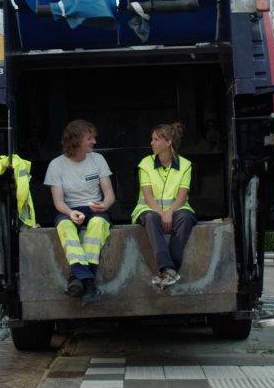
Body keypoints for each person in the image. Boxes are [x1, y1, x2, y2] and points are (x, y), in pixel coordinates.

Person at [43, 120, 115, 304]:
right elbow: (58, 202)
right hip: (69, 210)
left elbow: (109, 194)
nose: (94, 142)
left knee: (98, 224)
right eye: (90, 138)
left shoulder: (98, 160)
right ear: (76, 140)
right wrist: (70, 213)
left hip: (95, 209)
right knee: (65, 226)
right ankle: (89, 282)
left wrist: (104, 205)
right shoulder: (56, 165)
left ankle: (79, 278)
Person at [131, 123, 196, 288]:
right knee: (151, 218)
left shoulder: (185, 165)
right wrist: (163, 214)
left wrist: (169, 212)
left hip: (176, 209)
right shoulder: (145, 163)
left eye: (156, 139)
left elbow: (182, 196)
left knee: (186, 217)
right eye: (152, 139)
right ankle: (167, 268)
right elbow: (147, 196)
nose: (151, 143)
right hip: (149, 209)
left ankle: (169, 271)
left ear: (168, 143)